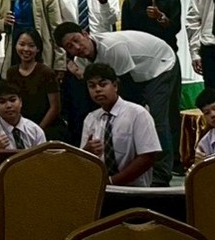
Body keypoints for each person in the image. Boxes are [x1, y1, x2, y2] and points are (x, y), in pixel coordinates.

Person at [56, 23, 178, 186]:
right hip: (135, 74)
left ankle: (161, 175)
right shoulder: (81, 61)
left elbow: (125, 90)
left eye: (77, 40)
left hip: (159, 64)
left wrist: (138, 115)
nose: (76, 47)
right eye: (69, 46)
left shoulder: (112, 47)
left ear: (85, 34)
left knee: (155, 119)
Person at [122, 0, 183, 156]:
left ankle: (172, 160)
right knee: (136, 109)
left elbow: (175, 28)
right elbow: (126, 34)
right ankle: (141, 156)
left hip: (167, 62)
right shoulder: (130, 2)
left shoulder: (172, 0)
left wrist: (161, 18)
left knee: (169, 111)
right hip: (138, 63)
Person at [80, 63, 160, 187]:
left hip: (135, 190)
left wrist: (112, 181)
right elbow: (82, 158)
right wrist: (87, 150)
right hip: (101, 188)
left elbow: (148, 156)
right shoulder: (91, 118)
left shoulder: (137, 113)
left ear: (115, 86)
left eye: (103, 84)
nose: (97, 90)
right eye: (92, 86)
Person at [5, 29, 66, 141]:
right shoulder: (11, 72)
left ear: (38, 49)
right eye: (22, 44)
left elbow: (55, 107)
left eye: (31, 46)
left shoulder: (46, 72)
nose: (26, 49)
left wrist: (37, 130)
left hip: (47, 128)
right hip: (22, 127)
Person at [0, 82, 47, 150]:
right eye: (2, 102)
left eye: (12, 100)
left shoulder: (35, 130)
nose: (8, 105)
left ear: (20, 102)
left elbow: (43, 156)